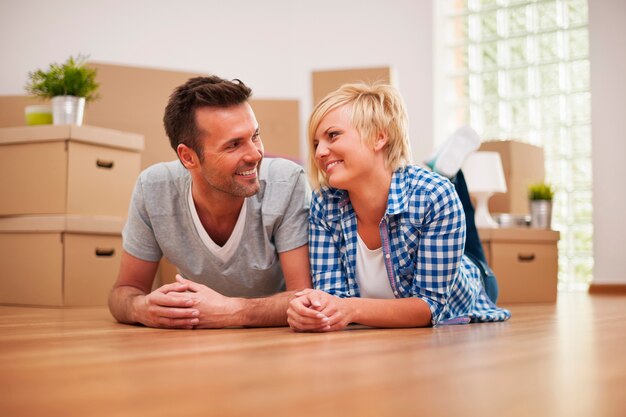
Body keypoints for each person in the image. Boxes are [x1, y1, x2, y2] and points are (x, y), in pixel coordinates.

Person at [287, 83, 511, 332]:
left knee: (474, 257)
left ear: (379, 137)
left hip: (468, 287)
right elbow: (331, 297)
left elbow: (430, 306)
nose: (319, 152)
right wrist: (314, 311)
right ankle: (445, 167)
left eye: (333, 135)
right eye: (316, 143)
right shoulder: (324, 203)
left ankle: (453, 174)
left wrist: (349, 308)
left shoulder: (434, 194)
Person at [108, 75, 311, 329]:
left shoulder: (287, 183)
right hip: (194, 344)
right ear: (188, 157)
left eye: (255, 135)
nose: (256, 153)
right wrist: (141, 308)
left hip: (275, 344)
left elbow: (305, 298)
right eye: (234, 144)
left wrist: (234, 311)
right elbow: (125, 291)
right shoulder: (153, 189)